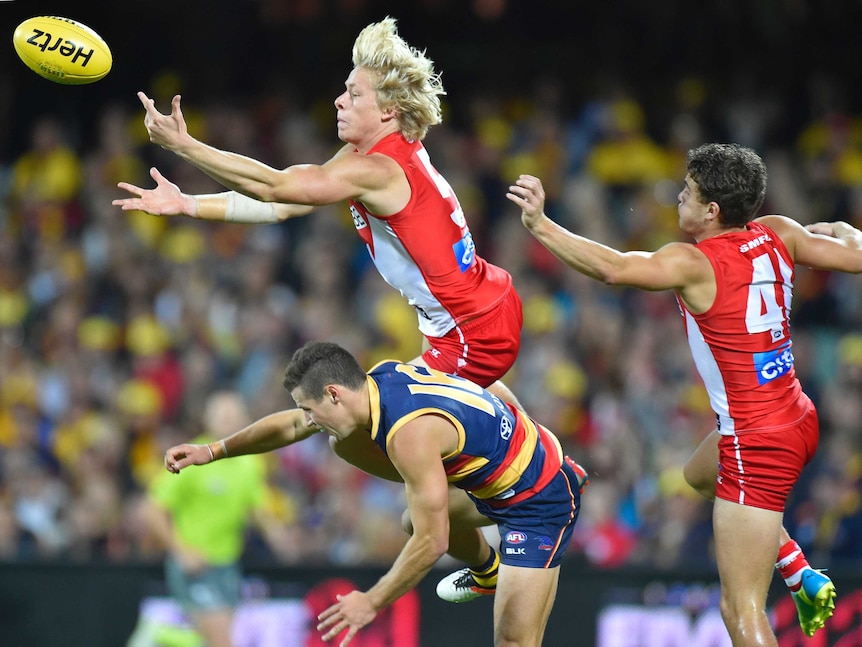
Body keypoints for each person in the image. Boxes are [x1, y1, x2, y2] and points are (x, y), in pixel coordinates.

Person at [112, 16, 525, 603]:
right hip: (474, 314)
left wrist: (185, 146)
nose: (339, 99)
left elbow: (281, 188)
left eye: (354, 93)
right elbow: (282, 207)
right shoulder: (372, 153)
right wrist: (188, 205)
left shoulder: (378, 168)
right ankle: (529, 483)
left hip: (470, 332)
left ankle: (516, 512)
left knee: (362, 443)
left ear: (386, 111)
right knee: (401, 435)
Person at [507, 143, 862, 645]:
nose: (678, 198)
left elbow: (614, 268)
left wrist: (541, 225)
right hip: (795, 415)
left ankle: (793, 574)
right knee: (697, 474)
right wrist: (847, 230)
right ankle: (797, 569)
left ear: (712, 211)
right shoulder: (780, 233)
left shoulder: (695, 264)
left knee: (740, 610)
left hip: (755, 440)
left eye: (688, 192)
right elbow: (856, 256)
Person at [163, 341, 587, 647]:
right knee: (410, 514)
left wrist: (372, 600)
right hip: (498, 477)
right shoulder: (378, 380)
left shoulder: (408, 434)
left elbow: (433, 543)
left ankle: (539, 511)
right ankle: (487, 572)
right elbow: (291, 426)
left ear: (334, 393)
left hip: (539, 499)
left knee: (512, 640)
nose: (309, 420)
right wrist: (213, 450)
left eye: (312, 409)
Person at [131, 391, 291, 647]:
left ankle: (164, 636)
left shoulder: (250, 463)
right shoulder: (192, 457)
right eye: (222, 415)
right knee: (222, 642)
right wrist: (180, 550)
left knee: (214, 640)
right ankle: (161, 635)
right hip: (196, 566)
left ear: (244, 419)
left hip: (228, 566)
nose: (228, 420)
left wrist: (276, 533)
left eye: (233, 414)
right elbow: (150, 509)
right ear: (207, 419)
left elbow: (255, 506)